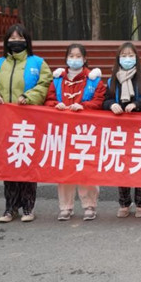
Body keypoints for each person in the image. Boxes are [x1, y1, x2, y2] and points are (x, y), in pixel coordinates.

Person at [0, 24, 53, 223]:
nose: (16, 41)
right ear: (6, 41)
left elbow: (45, 84)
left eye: (20, 38)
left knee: (27, 164)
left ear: (27, 40)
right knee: (8, 164)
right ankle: (10, 208)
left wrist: (29, 96)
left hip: (29, 123)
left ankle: (28, 207)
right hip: (4, 122)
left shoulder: (38, 63)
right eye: (12, 38)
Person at [44, 44, 106, 221]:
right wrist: (56, 105)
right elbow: (48, 99)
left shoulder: (94, 80)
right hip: (62, 130)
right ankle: (65, 207)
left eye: (78, 56)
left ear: (85, 59)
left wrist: (84, 106)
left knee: (86, 167)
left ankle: (89, 205)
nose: (74, 59)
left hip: (86, 130)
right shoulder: (58, 80)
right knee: (64, 168)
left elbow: (99, 101)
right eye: (71, 56)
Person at [103, 42, 141, 219]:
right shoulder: (112, 80)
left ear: (136, 57)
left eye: (131, 55)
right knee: (122, 165)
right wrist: (112, 105)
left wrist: (137, 104)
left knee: (140, 164)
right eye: (124, 56)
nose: (127, 59)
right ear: (118, 58)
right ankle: (124, 203)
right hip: (120, 129)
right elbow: (105, 100)